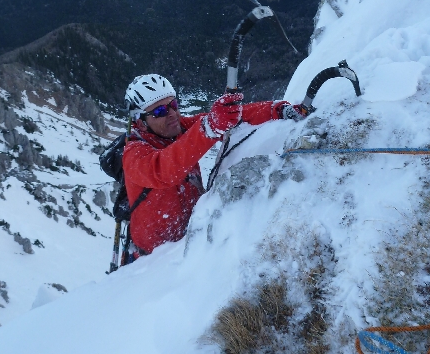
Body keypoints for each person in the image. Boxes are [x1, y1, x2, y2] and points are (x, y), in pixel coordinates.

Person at [122, 74, 305, 256]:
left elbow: (235, 118)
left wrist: (277, 110)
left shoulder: (179, 128)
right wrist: (209, 128)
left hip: (192, 243)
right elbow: (162, 171)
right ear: (141, 122)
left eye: (174, 105)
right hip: (153, 260)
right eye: (160, 111)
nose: (172, 114)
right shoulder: (134, 153)